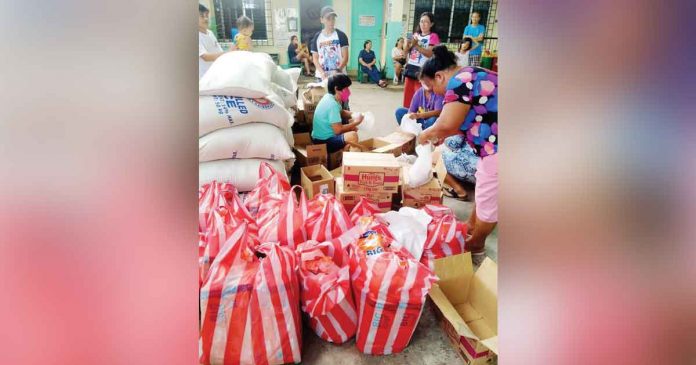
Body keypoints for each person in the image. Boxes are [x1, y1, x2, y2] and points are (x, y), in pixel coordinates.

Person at [418, 45, 498, 266]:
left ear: (440, 76)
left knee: (489, 203)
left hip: (498, 148)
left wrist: (424, 136)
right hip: (495, 145)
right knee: (485, 194)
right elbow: (468, 118)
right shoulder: (473, 72)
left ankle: (476, 246)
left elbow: (446, 123)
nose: (433, 92)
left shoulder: (459, 81)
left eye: (431, 86)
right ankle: (471, 229)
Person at [311, 74, 364, 153]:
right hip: (323, 141)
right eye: (346, 88)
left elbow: (341, 112)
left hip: (322, 136)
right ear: (336, 89)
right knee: (353, 135)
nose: (348, 91)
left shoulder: (329, 97)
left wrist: (354, 114)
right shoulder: (332, 104)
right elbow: (338, 130)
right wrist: (357, 122)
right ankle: (350, 162)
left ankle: (344, 151)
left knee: (352, 127)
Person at [402, 12, 440, 108]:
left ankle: (419, 117)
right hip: (411, 68)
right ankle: (406, 116)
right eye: (421, 21)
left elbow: (430, 54)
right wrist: (406, 44)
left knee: (420, 96)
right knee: (408, 95)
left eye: (426, 22)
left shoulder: (433, 36)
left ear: (431, 24)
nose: (423, 24)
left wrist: (416, 45)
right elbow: (405, 53)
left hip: (424, 70)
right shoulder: (415, 35)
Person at [310, 6, 349, 81]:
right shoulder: (317, 37)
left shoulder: (341, 35)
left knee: (343, 93)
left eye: (333, 18)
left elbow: (345, 57)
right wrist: (322, 73)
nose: (331, 21)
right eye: (328, 19)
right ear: (321, 20)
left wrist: (337, 71)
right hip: (322, 77)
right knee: (322, 93)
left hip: (339, 76)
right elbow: (315, 58)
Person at [199, 4, 232, 80]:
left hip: (215, 74)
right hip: (204, 78)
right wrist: (228, 53)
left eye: (207, 15)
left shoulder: (210, 33)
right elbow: (206, 57)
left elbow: (218, 50)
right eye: (201, 16)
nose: (206, 18)